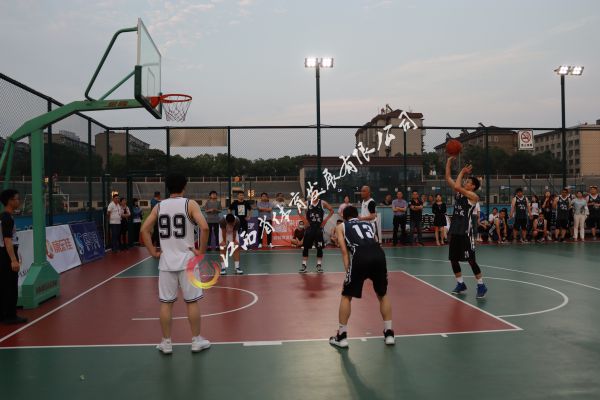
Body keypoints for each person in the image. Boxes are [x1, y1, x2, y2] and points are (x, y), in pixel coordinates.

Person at [140, 174, 210, 354]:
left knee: (166, 303)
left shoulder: (159, 206)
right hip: (188, 261)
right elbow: (204, 227)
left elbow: (144, 230)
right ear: (184, 186)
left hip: (166, 262)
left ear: (167, 187)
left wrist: (152, 252)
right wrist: (201, 251)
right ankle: (196, 340)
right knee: (192, 302)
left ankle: (166, 343)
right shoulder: (190, 204)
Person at [329, 205, 394, 348]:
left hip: (360, 256)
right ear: (357, 215)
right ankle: (389, 334)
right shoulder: (368, 224)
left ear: (344, 217)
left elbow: (344, 251)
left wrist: (348, 271)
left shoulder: (341, 226)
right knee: (382, 294)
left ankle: (342, 337)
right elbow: (376, 241)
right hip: (379, 255)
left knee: (346, 295)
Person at [444, 156, 487, 299]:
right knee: (453, 259)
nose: (465, 182)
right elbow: (448, 178)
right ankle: (460, 283)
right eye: (466, 181)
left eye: (468, 182)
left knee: (471, 260)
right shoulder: (460, 193)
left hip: (466, 232)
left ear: (473, 186)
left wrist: (462, 172)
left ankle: (481, 285)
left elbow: (457, 186)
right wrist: (449, 162)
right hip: (455, 231)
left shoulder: (473, 196)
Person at [0, 189, 27, 325]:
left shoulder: (4, 217)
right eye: (17, 199)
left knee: (4, 285)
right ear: (10, 201)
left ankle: (4, 314)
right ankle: (10, 315)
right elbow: (7, 240)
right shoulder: (7, 218)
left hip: (3, 254)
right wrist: (14, 260)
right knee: (10, 285)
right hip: (6, 254)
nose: (18, 201)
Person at [300, 193, 334, 273]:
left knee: (319, 247)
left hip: (318, 229)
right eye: (313, 194)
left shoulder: (322, 203)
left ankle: (319, 265)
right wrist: (305, 221)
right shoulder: (307, 203)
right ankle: (304, 265)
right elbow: (298, 210)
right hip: (309, 228)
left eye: (316, 193)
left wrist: (325, 221)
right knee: (306, 247)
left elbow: (332, 211)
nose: (314, 195)